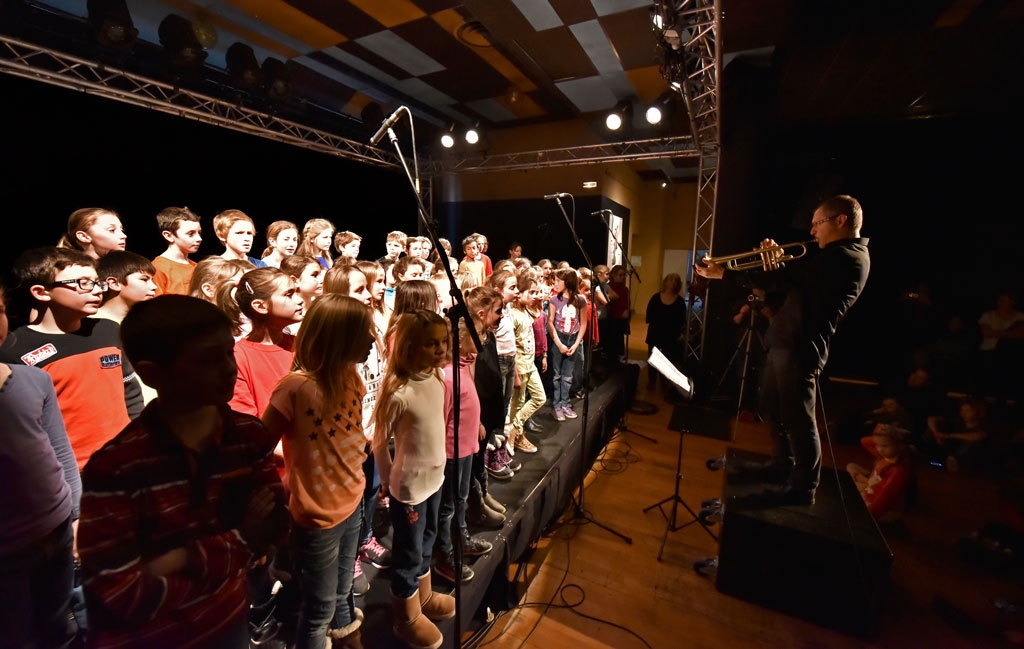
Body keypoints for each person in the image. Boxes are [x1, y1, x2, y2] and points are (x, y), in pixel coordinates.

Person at [77, 295, 289, 649]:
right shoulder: (118, 467)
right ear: (151, 373)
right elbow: (121, 595)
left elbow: (275, 527)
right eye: (207, 359)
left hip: (229, 618)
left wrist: (177, 559)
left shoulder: (248, 435)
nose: (228, 369)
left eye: (228, 353)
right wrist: (239, 539)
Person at [697, 194, 871, 506]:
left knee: (798, 419)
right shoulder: (832, 257)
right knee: (773, 408)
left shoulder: (847, 257)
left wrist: (737, 271)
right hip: (785, 341)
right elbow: (784, 290)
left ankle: (804, 486)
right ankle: (782, 464)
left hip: (801, 346)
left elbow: (787, 278)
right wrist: (772, 266)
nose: (813, 230)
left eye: (817, 223)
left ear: (841, 221)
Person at [261, 295, 377, 649]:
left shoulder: (350, 377)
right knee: (318, 608)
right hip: (318, 518)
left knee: (343, 591)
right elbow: (258, 443)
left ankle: (347, 639)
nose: (372, 339)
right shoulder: (295, 387)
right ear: (338, 337)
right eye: (364, 332)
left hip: (352, 501)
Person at [0, 247, 144, 469]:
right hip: (70, 470)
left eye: (97, 282)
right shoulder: (15, 350)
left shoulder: (107, 331)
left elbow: (130, 389)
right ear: (41, 292)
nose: (96, 290)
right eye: (83, 283)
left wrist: (136, 438)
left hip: (126, 458)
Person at [0, 282, 83, 649]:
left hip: (56, 528)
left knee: (58, 625)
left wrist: (77, 515)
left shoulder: (33, 378)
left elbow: (60, 452)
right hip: (7, 547)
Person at [371, 310, 456, 649]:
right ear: (409, 347)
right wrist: (389, 478)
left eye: (443, 342)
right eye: (430, 344)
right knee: (408, 551)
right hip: (409, 487)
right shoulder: (399, 392)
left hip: (435, 478)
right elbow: (379, 440)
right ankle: (405, 616)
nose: (439, 350)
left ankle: (423, 596)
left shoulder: (437, 378)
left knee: (428, 539)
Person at [434, 319, 492, 584]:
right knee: (447, 506)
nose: (483, 337)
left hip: (466, 447)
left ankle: (461, 539)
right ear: (459, 339)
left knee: (460, 498)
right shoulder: (447, 376)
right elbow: (441, 417)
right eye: (478, 333)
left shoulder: (464, 365)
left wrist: (478, 422)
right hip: (450, 452)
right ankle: (444, 555)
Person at [229, 267, 303, 418]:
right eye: (289, 294)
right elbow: (245, 419)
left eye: (296, 292)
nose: (300, 300)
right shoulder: (239, 357)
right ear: (260, 306)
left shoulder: (303, 345)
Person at [508, 273, 546, 452]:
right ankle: (517, 435)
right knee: (518, 401)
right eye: (531, 292)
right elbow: (511, 347)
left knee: (540, 397)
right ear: (520, 292)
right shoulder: (513, 314)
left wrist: (538, 300)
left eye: (536, 292)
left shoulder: (526, 311)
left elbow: (538, 316)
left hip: (530, 364)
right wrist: (515, 371)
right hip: (520, 366)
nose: (534, 296)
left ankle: (514, 428)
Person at [846, 423, 913, 521]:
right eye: (877, 445)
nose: (879, 449)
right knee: (850, 469)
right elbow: (864, 441)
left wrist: (864, 514)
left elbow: (882, 501)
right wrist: (882, 435)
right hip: (872, 489)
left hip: (886, 511)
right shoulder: (885, 456)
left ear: (900, 446)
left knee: (846, 500)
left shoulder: (897, 471)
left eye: (885, 446)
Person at [547, 268, 587, 422]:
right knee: (556, 375)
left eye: (558, 280)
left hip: (572, 338)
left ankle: (565, 403)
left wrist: (576, 344)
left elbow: (583, 324)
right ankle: (556, 405)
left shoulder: (580, 300)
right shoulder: (554, 300)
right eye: (554, 280)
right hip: (558, 338)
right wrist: (558, 343)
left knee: (567, 375)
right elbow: (550, 322)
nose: (555, 283)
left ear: (568, 282)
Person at [188, 257, 252, 339]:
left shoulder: (242, 320)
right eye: (235, 286)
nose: (243, 291)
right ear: (208, 290)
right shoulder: (198, 329)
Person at [644, 273, 688, 391]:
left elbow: (682, 320)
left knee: (667, 359)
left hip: (671, 335)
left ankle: (664, 383)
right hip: (655, 333)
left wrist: (680, 334)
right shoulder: (655, 298)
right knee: (653, 357)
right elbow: (649, 316)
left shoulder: (679, 302)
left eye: (676, 280)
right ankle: (652, 381)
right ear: (666, 282)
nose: (673, 282)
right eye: (671, 279)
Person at [95, 250, 158, 323]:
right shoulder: (88, 324)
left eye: (152, 280)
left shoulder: (147, 324)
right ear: (114, 283)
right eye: (144, 279)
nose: (154, 287)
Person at [152, 206, 203, 296]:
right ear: (169, 236)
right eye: (190, 234)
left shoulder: (197, 267)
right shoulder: (159, 267)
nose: (199, 239)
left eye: (199, 233)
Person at [56, 207, 127, 259]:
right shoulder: (72, 272)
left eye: (122, 230)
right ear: (84, 236)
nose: (124, 236)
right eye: (112, 230)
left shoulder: (125, 267)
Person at [281, 254, 325, 327]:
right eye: (314, 275)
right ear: (294, 280)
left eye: (320, 275)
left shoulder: (321, 309)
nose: (321, 280)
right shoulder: (288, 315)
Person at [605, 264, 630, 362]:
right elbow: (611, 304)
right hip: (613, 318)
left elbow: (626, 302)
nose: (622, 277)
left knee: (620, 338)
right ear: (614, 275)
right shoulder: (610, 287)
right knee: (613, 340)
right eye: (620, 275)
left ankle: (619, 359)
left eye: (624, 275)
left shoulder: (625, 289)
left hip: (622, 319)